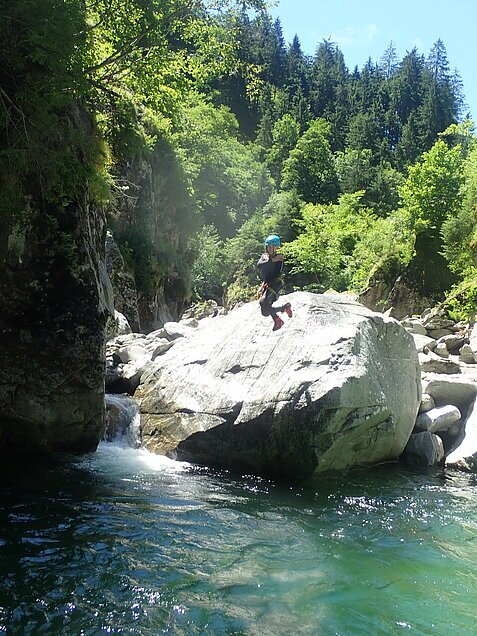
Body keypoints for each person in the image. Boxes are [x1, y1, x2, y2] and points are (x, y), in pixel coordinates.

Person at [257, 234, 293, 331]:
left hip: (276, 283)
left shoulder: (280, 256)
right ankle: (284, 308)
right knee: (265, 312)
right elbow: (259, 265)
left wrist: (272, 260)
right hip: (267, 284)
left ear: (276, 247)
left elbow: (278, 270)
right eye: (267, 247)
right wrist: (271, 260)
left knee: (263, 302)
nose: (268, 249)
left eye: (270, 247)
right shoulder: (265, 256)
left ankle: (277, 320)